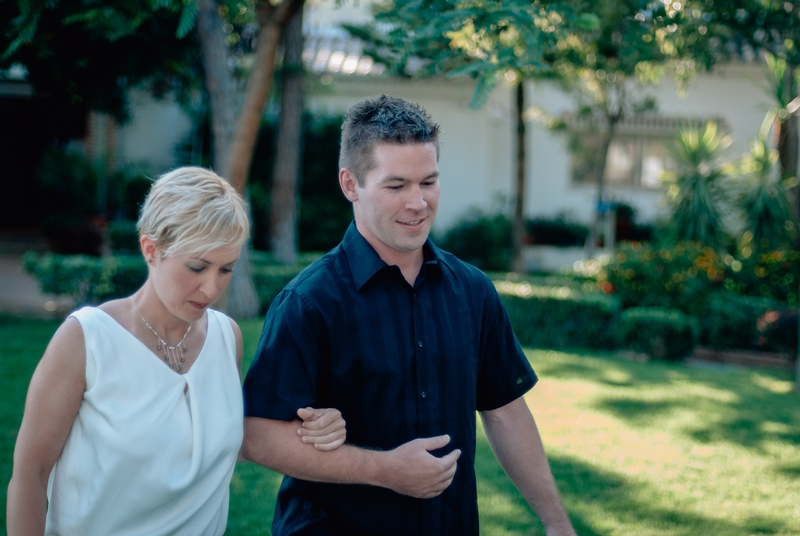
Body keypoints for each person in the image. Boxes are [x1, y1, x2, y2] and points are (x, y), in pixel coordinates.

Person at [242, 95, 575, 535]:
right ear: (350, 184)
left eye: (429, 182)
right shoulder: (309, 302)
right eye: (397, 186)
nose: (418, 203)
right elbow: (257, 435)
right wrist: (384, 469)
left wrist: (556, 522)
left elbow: (505, 412)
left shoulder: (473, 291)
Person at [7, 167, 346, 535]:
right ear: (150, 249)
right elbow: (30, 474)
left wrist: (316, 427)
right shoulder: (87, 339)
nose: (211, 287)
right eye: (197, 267)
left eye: (226, 269)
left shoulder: (226, 337)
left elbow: (231, 440)